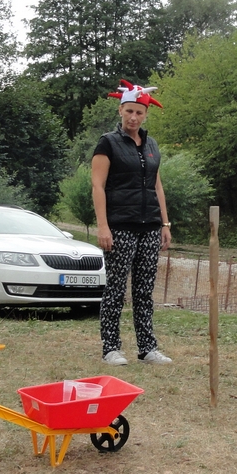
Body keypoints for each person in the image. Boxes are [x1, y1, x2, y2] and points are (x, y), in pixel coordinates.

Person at [92, 79, 173, 366]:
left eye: (139, 112)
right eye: (129, 111)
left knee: (144, 290)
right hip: (120, 227)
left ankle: (148, 348)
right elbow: (98, 186)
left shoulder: (151, 144)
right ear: (120, 111)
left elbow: (157, 186)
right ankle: (111, 348)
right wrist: (103, 226)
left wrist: (165, 224)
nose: (133, 117)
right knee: (115, 289)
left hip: (150, 226)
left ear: (145, 114)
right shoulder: (108, 143)